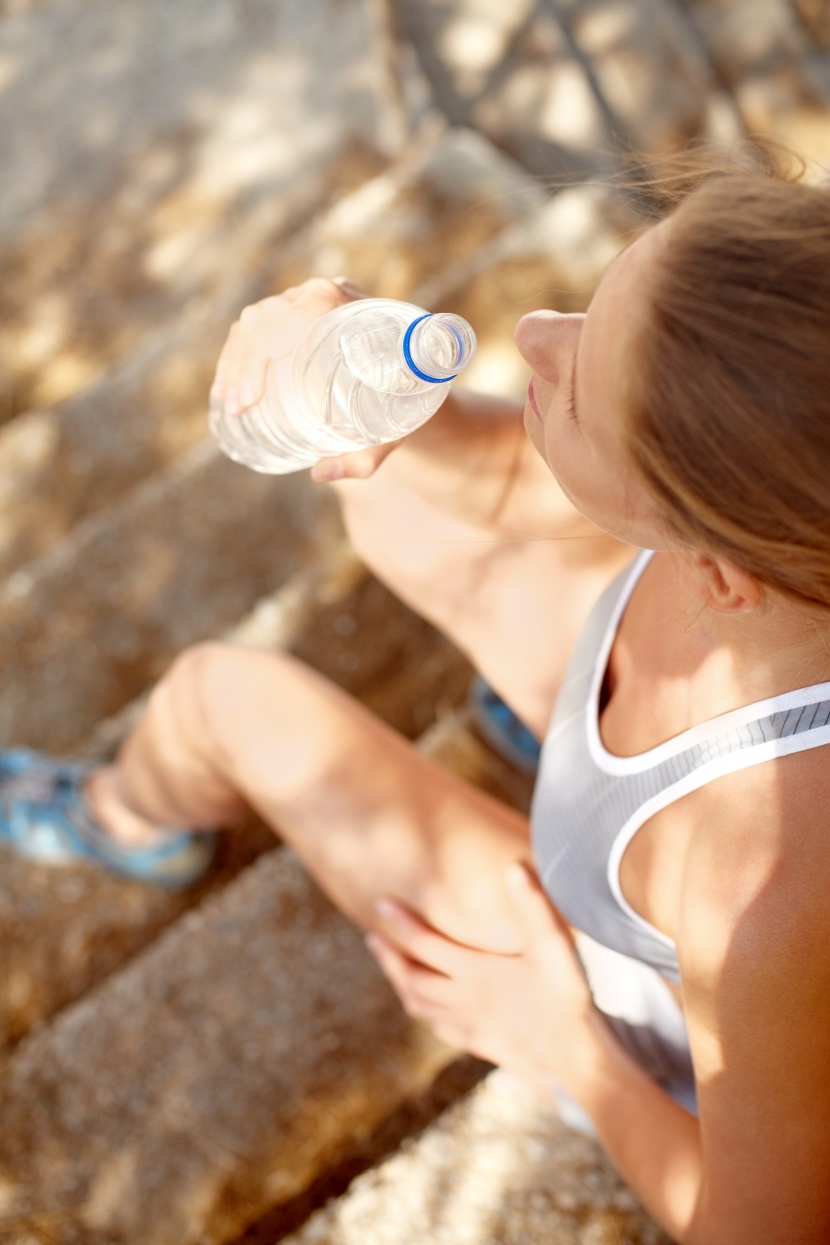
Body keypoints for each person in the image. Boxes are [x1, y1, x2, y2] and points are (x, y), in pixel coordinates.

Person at [3, 161, 830, 1243]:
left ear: (715, 569)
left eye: (577, 383)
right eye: (588, 304)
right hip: (675, 753)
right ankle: (557, 737)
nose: (534, 330)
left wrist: (560, 1037)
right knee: (399, 498)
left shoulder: (760, 894)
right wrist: (374, 404)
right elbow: (495, 480)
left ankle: (126, 821)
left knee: (220, 697)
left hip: (613, 1007)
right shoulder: (779, 536)